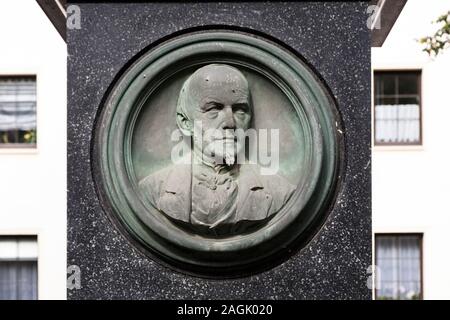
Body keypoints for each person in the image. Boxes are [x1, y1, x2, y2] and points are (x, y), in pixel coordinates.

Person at [139, 64, 295, 236]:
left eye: (240, 110)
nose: (230, 123)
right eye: (214, 109)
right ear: (185, 122)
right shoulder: (151, 190)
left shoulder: (280, 191)